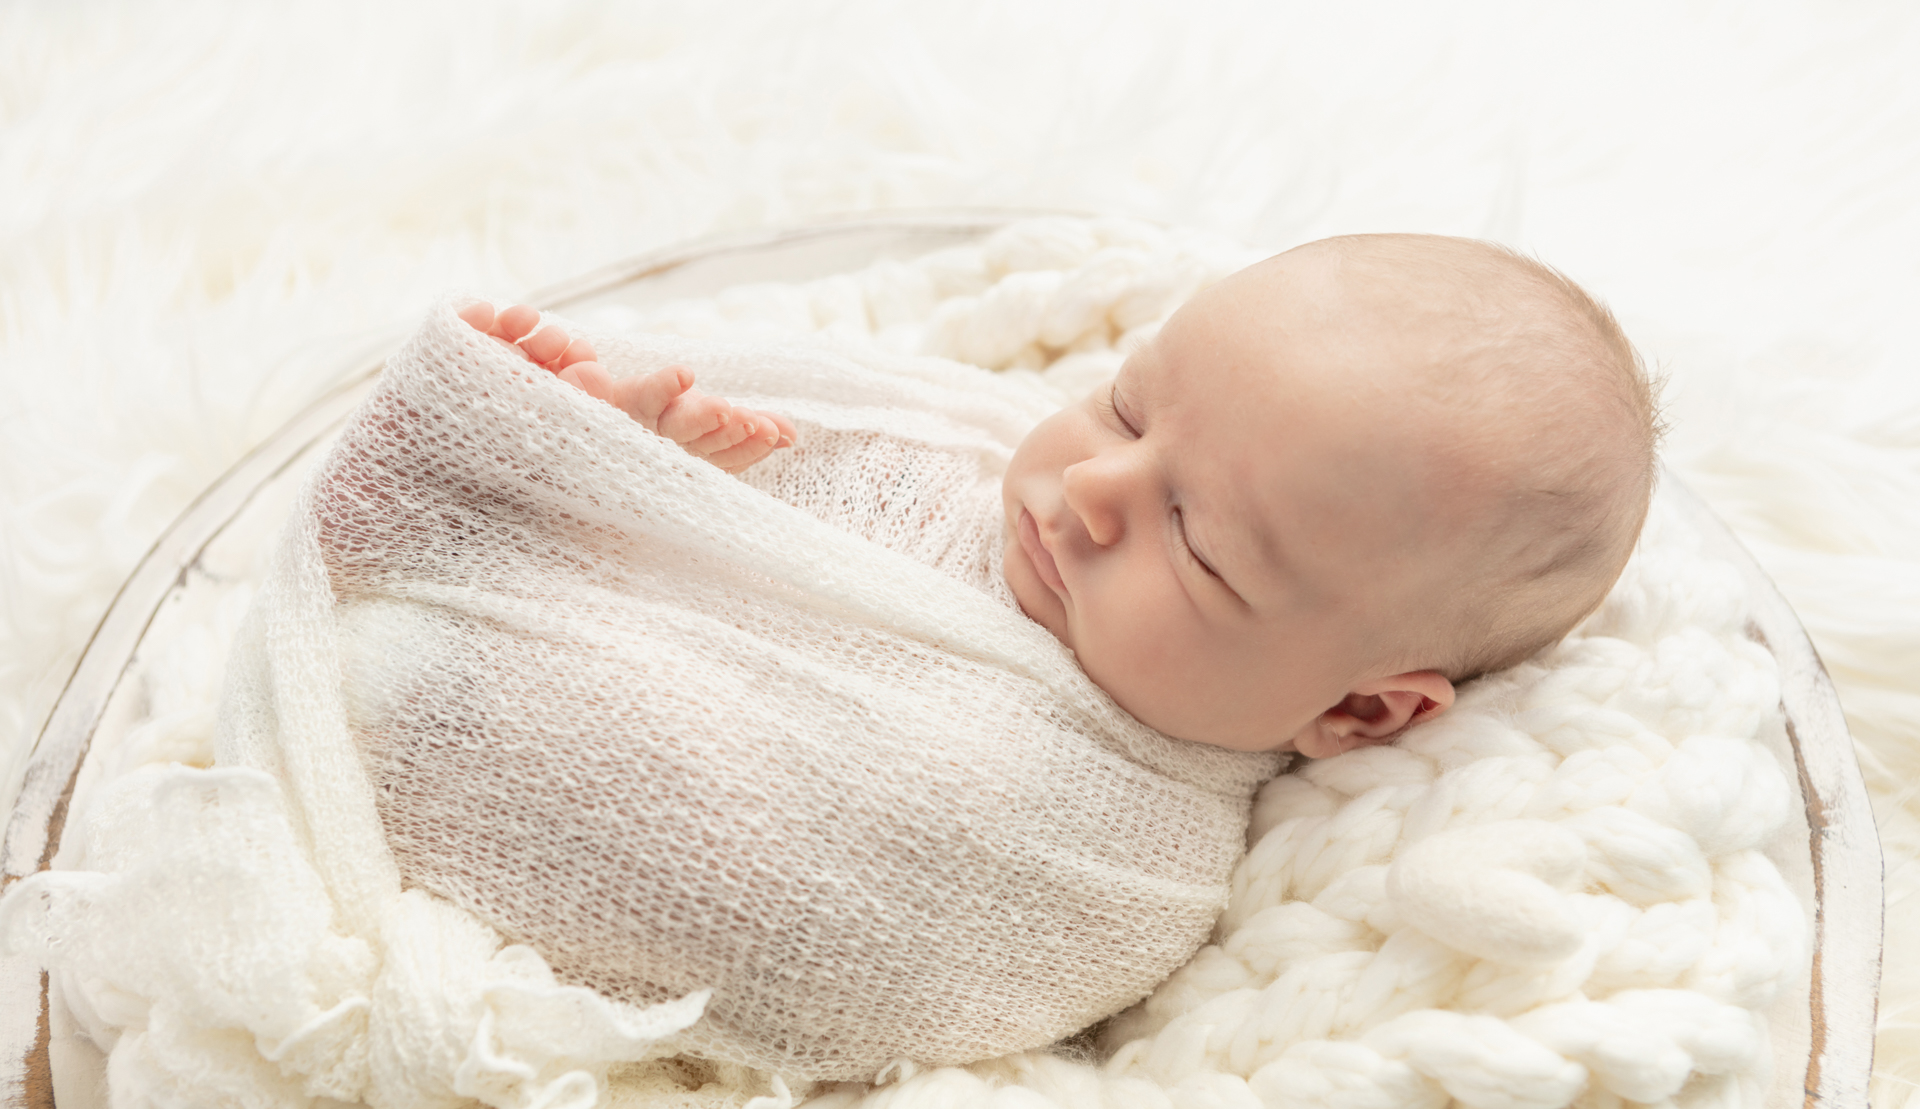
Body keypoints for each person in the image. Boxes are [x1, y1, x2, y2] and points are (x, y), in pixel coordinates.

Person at [459, 231, 1658, 757]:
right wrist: (649, 480)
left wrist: (582, 559)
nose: (1091, 482)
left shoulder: (1090, 809)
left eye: (1198, 540)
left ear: (1360, 711)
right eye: (1127, 407)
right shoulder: (959, 469)